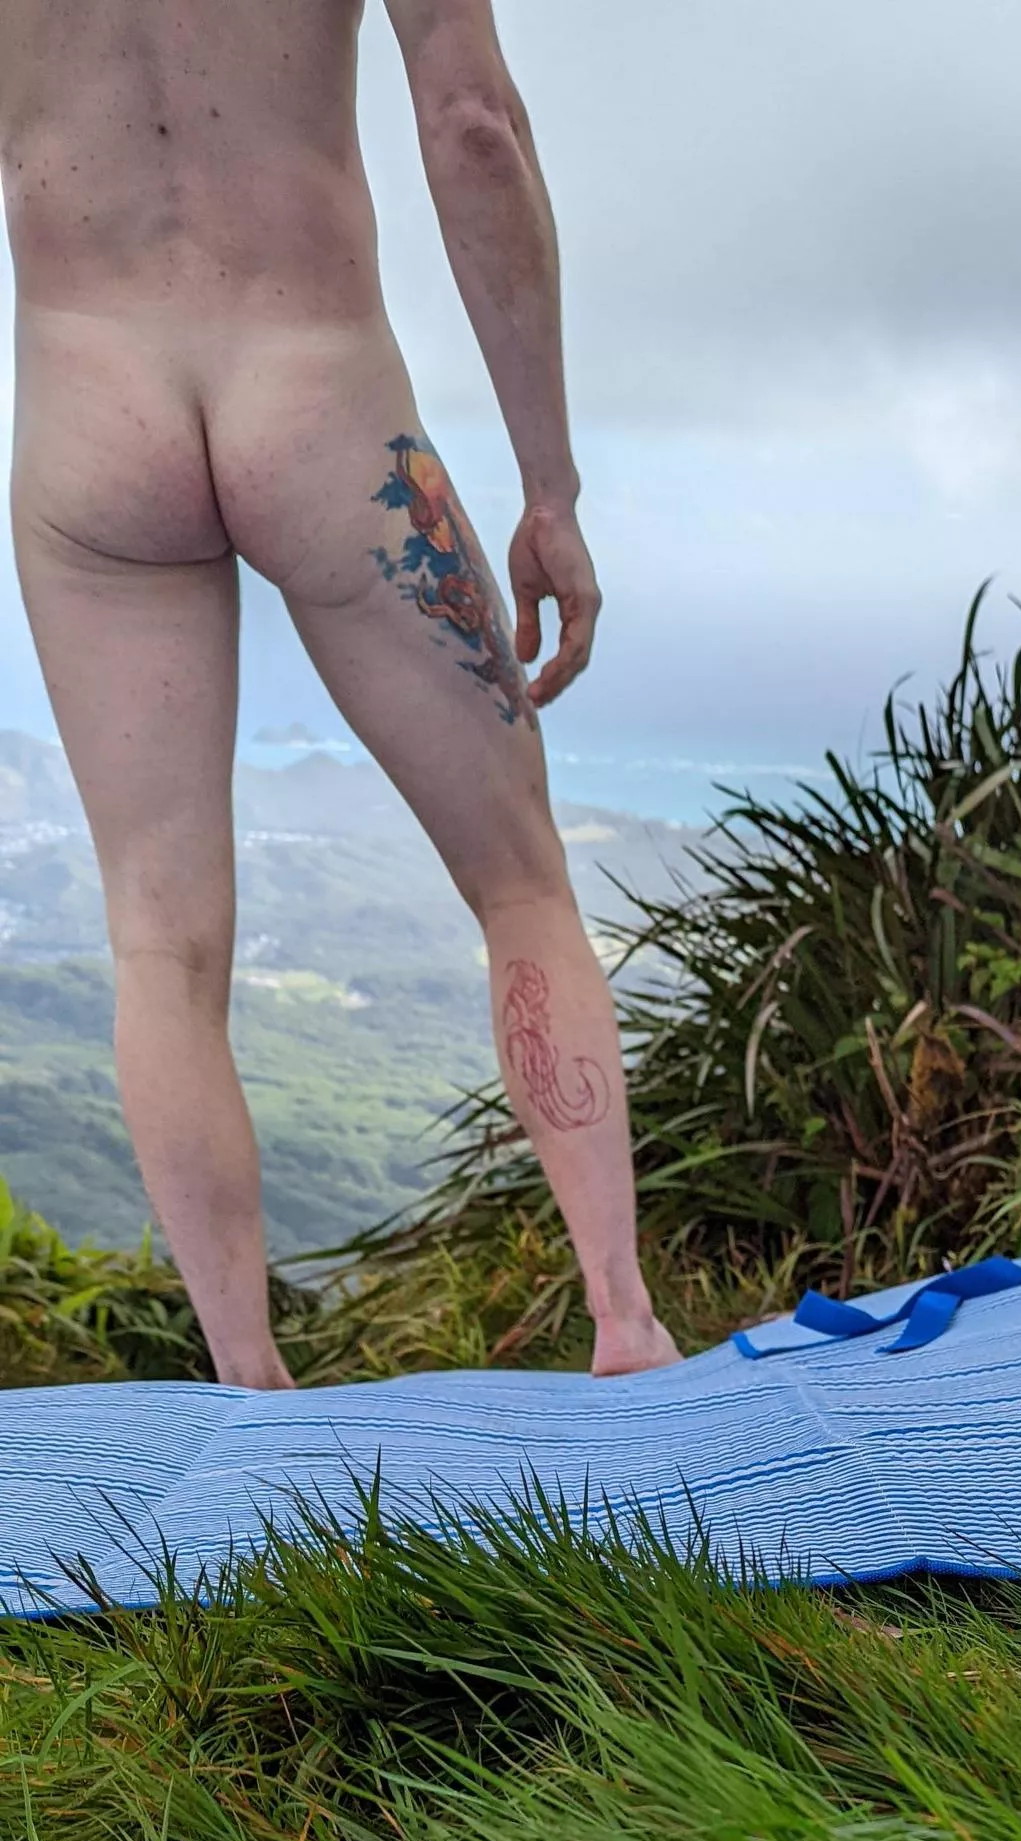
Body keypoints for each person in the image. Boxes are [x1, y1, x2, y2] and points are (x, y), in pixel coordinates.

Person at [0, 0, 676, 1388]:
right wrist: (548, 487)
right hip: (320, 408)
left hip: (84, 410)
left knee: (159, 942)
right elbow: (474, 128)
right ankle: (623, 1323)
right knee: (519, 880)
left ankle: (254, 1387)